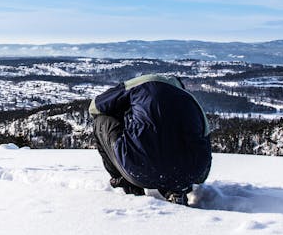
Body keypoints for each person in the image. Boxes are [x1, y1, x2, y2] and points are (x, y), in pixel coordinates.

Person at [90, 74, 211, 206]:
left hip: (138, 168)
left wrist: (123, 114)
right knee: (167, 151)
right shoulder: (192, 101)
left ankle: (126, 183)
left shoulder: (142, 84)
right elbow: (205, 141)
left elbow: (95, 107)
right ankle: (176, 190)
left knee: (100, 121)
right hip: (190, 174)